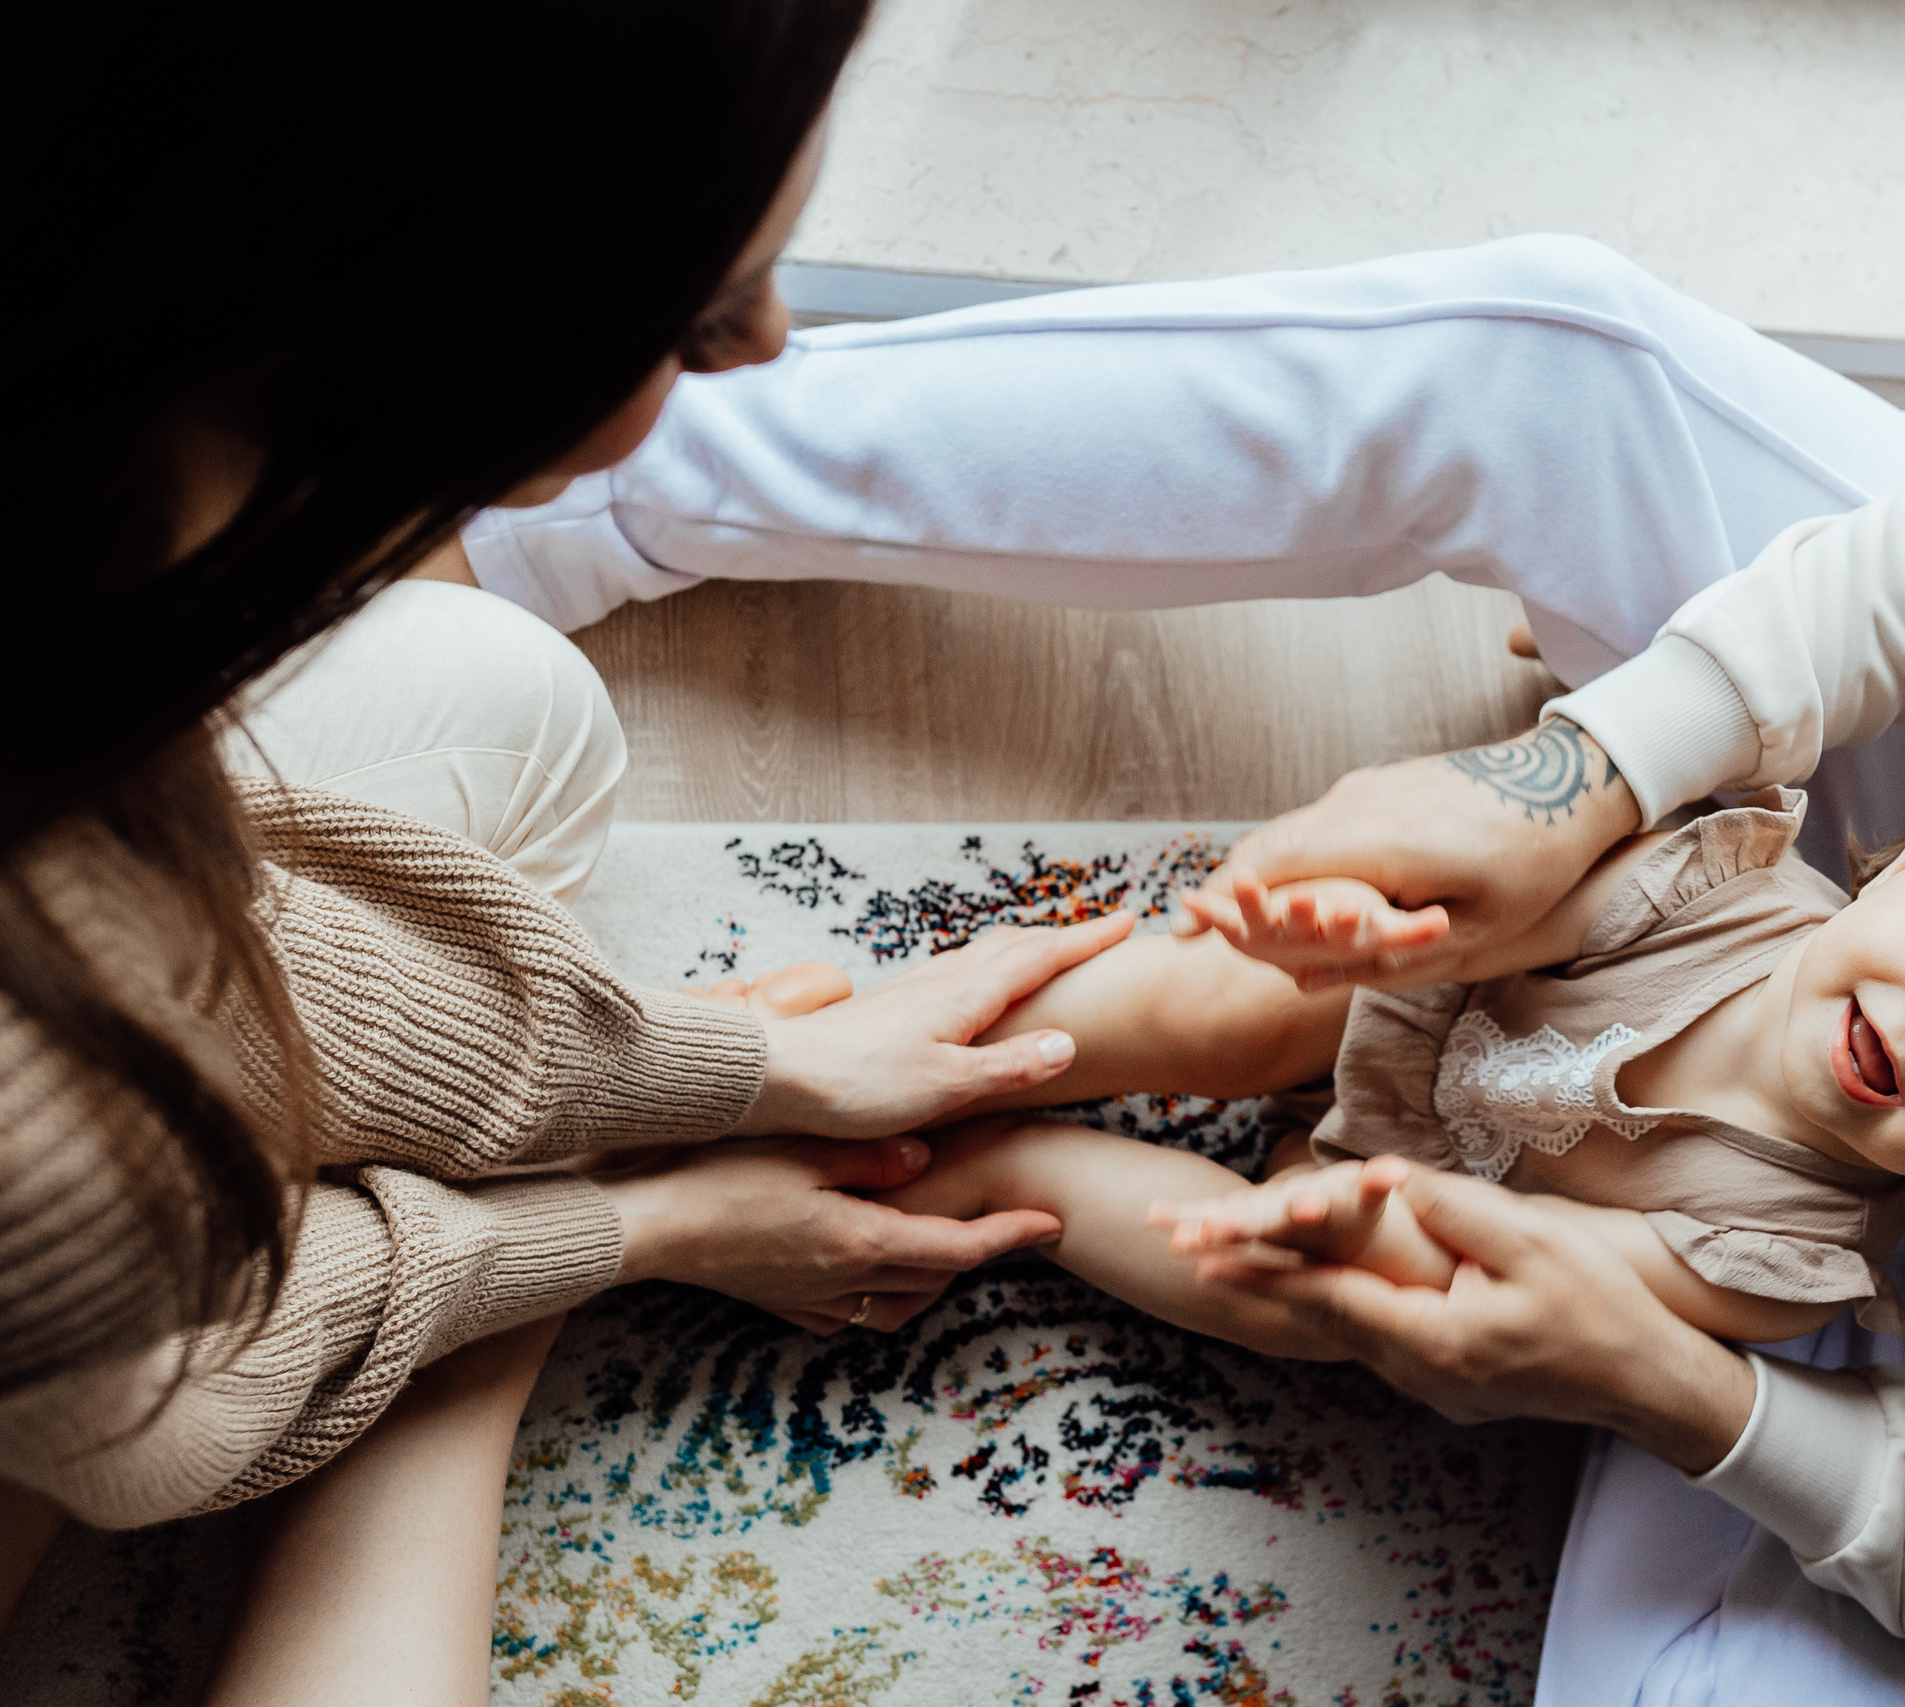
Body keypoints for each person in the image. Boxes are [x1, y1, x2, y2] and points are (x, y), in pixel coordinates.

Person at [454, 234, 1905, 1699]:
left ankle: (916, 1152)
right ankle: (530, 497)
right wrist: (1586, 775)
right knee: (1566, 362)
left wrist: (1673, 1379)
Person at [0, 2, 1135, 1696]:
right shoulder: (46, 1128)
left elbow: (218, 954)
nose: (765, 348)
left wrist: (722, 1067)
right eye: (690, 315)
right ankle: (442, 1388)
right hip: (99, 1304)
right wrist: (599, 1238)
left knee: (489, 695)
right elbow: (173, 1409)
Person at [861, 751, 1905, 1368]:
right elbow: (1510, 920)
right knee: (1239, 1004)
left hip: (1434, 1208)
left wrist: (1373, 1221)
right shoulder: (1741, 891)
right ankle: (949, 1045)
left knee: (1309, 1303)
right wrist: (1361, 935)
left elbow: (1535, 1274)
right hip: (1407, 1012)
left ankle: (1012, 1167)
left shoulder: (1789, 1258)